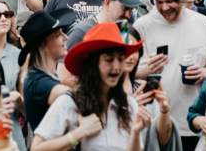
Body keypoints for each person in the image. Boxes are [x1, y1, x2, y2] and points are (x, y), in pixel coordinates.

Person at [32, 22, 170, 151]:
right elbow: (36, 148)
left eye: (121, 59)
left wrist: (135, 132)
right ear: (93, 64)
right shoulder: (70, 102)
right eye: (109, 59)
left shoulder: (130, 105)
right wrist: (78, 134)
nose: (117, 66)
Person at [134, 0, 206, 150]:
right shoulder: (141, 26)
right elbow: (125, 74)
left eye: (170, 1)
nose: (165, 7)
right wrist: (146, 70)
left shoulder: (202, 22)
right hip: (155, 125)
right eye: (159, 2)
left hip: (196, 123)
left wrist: (204, 72)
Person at [19, 9, 74, 130]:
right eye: (58, 35)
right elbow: (75, 99)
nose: (66, 37)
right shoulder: (39, 82)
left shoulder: (41, 77)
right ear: (43, 46)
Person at [0, 0, 27, 151]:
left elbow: (26, 110)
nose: (3, 18)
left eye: (7, 14)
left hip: (12, 131)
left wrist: (18, 98)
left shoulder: (20, 56)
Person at [66, 0, 141, 53]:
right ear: (107, 3)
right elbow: (62, 65)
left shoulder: (123, 30)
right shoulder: (81, 32)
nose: (128, 15)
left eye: (132, 9)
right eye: (125, 8)